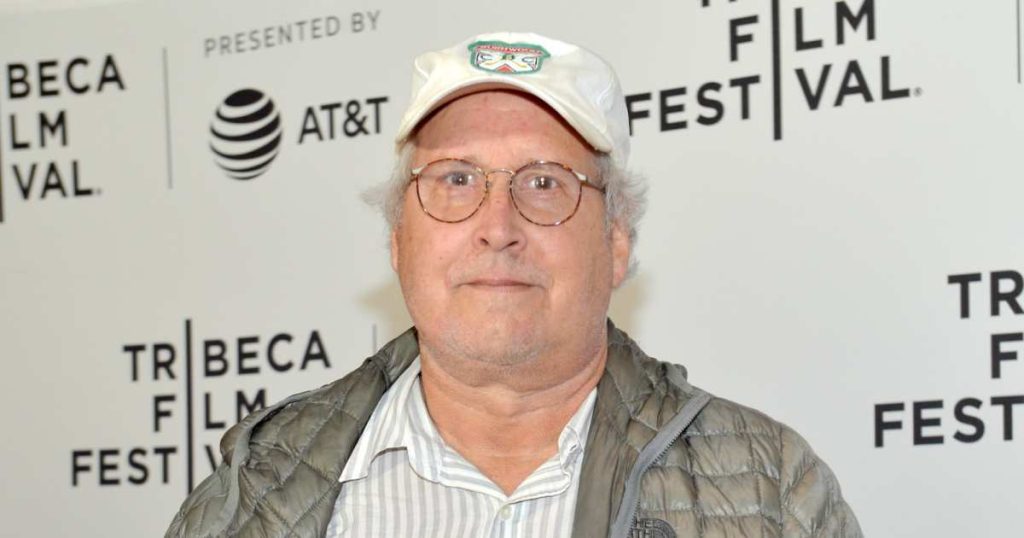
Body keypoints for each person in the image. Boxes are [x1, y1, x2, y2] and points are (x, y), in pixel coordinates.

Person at [166, 31, 862, 538]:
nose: (497, 226)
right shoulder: (256, 487)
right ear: (398, 239)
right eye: (456, 179)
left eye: (545, 183)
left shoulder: (772, 487)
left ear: (616, 243)